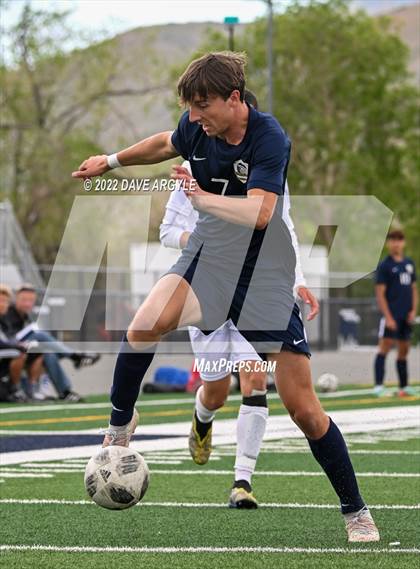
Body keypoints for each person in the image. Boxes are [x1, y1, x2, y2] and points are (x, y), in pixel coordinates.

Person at [72, 51, 379, 542]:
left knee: (304, 409)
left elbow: (260, 214)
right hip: (210, 260)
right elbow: (163, 143)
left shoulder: (269, 137)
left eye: (203, 106)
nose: (195, 117)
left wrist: (201, 199)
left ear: (234, 99)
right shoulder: (196, 127)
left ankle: (355, 510)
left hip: (263, 275)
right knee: (143, 325)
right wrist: (110, 163)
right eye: (190, 108)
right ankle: (120, 425)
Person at [159, 90, 319, 508]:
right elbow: (166, 232)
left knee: (254, 375)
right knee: (214, 389)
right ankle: (203, 418)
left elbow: (284, 229)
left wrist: (299, 279)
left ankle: (242, 481)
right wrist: (203, 240)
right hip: (210, 285)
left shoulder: (268, 172)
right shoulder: (192, 171)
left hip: (258, 286)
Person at [1, 283, 100, 402]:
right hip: (10, 352)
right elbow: (7, 340)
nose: (27, 303)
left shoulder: (23, 315)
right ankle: (74, 356)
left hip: (16, 349)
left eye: (30, 300)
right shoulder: (7, 313)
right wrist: (19, 344)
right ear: (16, 299)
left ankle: (64, 392)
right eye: (24, 300)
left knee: (48, 352)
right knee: (40, 335)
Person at [374, 229, 417, 397]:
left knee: (404, 349)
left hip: (406, 316)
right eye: (393, 240)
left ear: (403, 242)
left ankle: (404, 386)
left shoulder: (409, 264)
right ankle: (378, 386)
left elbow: (414, 289)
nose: (396, 243)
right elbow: (380, 293)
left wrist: (413, 310)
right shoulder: (385, 266)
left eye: (399, 240)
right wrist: (388, 316)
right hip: (391, 315)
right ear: (388, 243)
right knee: (384, 347)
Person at [0, 284, 44, 401]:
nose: (4, 305)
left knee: (37, 351)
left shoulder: (4, 319)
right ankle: (16, 389)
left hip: (5, 352)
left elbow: (6, 339)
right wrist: (17, 346)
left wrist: (18, 345)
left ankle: (31, 389)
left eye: (6, 302)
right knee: (19, 353)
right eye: (1, 301)